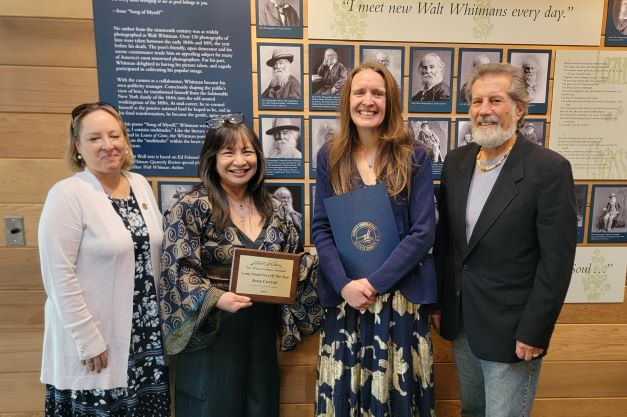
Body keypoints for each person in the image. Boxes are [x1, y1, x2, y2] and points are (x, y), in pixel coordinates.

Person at [433, 63, 577, 417]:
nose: (484, 110)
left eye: (495, 100)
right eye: (477, 101)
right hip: (463, 322)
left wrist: (535, 330)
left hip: (514, 332)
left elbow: (556, 263)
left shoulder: (548, 169)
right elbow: (447, 243)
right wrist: (438, 304)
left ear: (520, 109)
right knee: (473, 411)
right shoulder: (456, 162)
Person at [160, 114, 321, 417]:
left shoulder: (274, 209)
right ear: (212, 158)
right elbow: (177, 270)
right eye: (228, 152)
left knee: (260, 408)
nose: (239, 161)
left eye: (247, 152)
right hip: (213, 331)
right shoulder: (190, 206)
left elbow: (293, 265)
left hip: (260, 332)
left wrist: (334, 261)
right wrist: (218, 297)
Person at [312, 61, 437, 416]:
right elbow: (321, 227)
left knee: (396, 395)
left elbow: (423, 231)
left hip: (400, 304)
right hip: (347, 301)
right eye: (360, 92)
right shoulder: (329, 157)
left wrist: (374, 283)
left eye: (378, 93)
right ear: (347, 101)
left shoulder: (415, 157)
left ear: (390, 101)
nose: (369, 101)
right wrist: (345, 286)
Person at [38, 102, 169, 416]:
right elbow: (58, 276)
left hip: (144, 337)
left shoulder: (139, 184)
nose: (108, 145)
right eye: (95, 138)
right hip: (96, 340)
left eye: (114, 135)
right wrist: (88, 339)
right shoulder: (67, 194)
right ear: (78, 146)